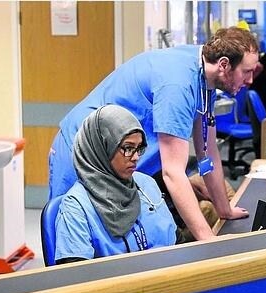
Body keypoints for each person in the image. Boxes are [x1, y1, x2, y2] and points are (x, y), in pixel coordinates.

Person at [49, 27, 255, 242]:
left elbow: (208, 153)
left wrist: (225, 210)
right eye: (247, 71)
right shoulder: (178, 84)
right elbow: (172, 172)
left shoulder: (205, 77)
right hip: (81, 150)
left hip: (119, 157)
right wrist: (207, 239)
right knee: (73, 233)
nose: (250, 80)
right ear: (224, 64)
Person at [54, 105, 177, 264]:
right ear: (102, 147)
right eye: (127, 148)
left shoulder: (146, 184)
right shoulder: (76, 206)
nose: (135, 157)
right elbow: (75, 279)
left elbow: (177, 243)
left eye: (139, 148)